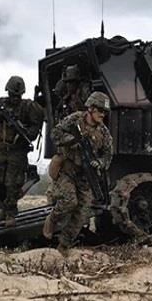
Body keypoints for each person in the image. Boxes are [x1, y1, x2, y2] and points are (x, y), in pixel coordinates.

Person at [42, 91, 113, 255]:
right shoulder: (75, 120)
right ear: (91, 108)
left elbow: (108, 155)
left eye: (104, 112)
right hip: (67, 171)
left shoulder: (104, 132)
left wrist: (99, 163)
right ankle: (52, 219)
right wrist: (73, 140)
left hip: (85, 177)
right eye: (100, 110)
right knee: (69, 201)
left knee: (82, 214)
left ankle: (64, 245)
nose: (102, 114)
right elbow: (55, 134)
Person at [0, 76, 44, 227]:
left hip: (18, 150)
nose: (14, 98)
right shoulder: (0, 104)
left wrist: (23, 133)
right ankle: (5, 208)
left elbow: (34, 130)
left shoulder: (28, 107)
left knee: (13, 183)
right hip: (1, 147)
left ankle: (10, 213)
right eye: (12, 94)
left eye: (17, 95)